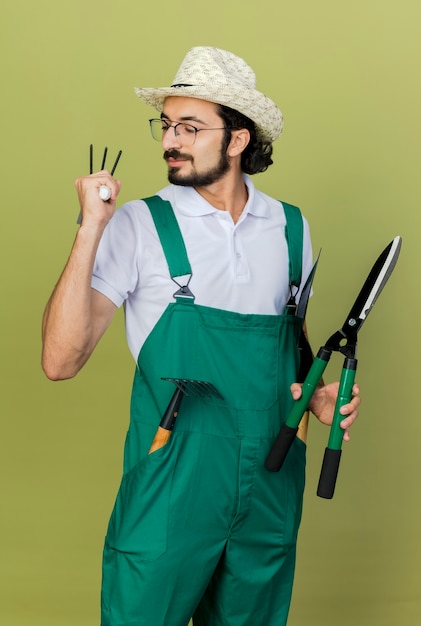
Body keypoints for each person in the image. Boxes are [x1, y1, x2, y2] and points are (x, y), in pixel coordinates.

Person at [42, 47, 360, 626]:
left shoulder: (290, 229)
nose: (170, 141)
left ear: (238, 139)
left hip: (268, 479)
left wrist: (315, 395)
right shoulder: (139, 224)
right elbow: (60, 359)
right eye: (165, 125)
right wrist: (91, 228)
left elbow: (295, 354)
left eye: (190, 128)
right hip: (173, 484)